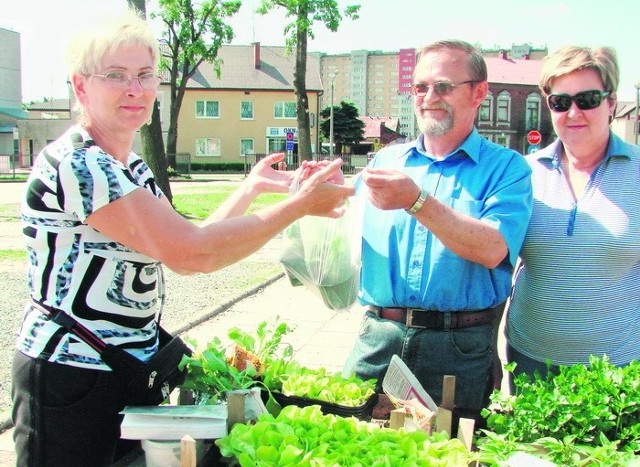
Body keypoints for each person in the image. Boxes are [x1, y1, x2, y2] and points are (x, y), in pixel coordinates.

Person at [11, 11, 353, 467]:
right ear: (80, 87)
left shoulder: (126, 164)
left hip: (125, 369)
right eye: (115, 76)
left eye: (145, 75)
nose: (135, 89)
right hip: (70, 375)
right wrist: (298, 205)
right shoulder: (80, 164)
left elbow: (185, 241)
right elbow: (193, 254)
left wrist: (249, 189)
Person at [342, 39, 532, 422]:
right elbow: (344, 229)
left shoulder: (507, 169)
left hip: (459, 348)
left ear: (479, 92)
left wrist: (416, 200)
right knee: (349, 448)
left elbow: (494, 248)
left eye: (443, 86)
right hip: (379, 338)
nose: (429, 97)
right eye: (420, 87)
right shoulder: (386, 160)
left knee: (451, 454)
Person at [505, 46, 640, 387]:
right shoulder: (523, 174)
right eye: (561, 102)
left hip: (619, 368)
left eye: (588, 99)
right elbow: (496, 264)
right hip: (529, 361)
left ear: (611, 103)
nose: (574, 112)